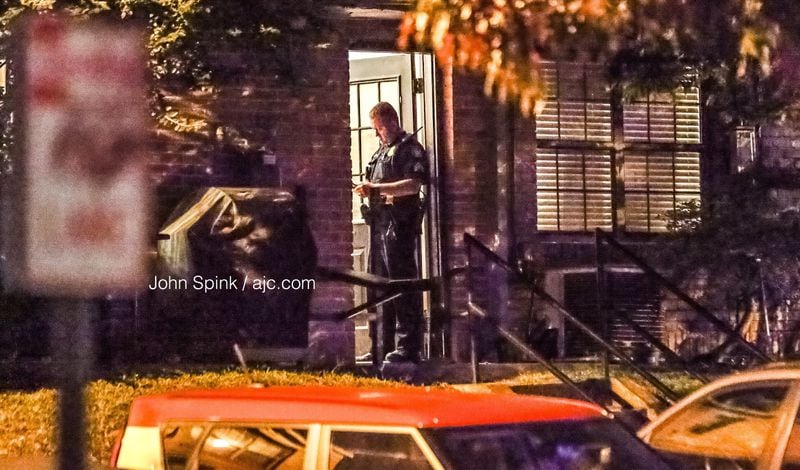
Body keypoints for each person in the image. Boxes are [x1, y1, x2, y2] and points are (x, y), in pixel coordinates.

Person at [354, 102, 427, 363]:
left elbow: (413, 184)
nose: (377, 135)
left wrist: (376, 189)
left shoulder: (410, 149)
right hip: (379, 226)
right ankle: (380, 347)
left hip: (399, 229)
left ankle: (407, 348)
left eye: (379, 129)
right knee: (378, 288)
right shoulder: (381, 152)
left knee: (402, 288)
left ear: (392, 123)